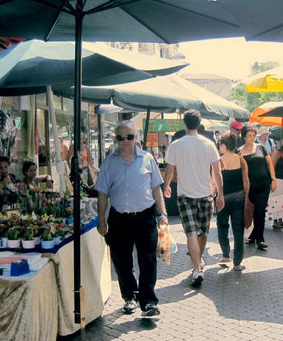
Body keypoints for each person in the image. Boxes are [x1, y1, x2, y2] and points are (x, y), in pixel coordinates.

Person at [95, 120, 167, 317]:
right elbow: (102, 193)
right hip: (118, 219)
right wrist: (101, 219)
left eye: (129, 136)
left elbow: (156, 189)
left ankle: (149, 302)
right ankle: (130, 298)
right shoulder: (108, 163)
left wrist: (163, 214)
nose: (125, 140)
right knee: (121, 261)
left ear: (136, 138)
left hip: (145, 217)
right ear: (116, 139)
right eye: (121, 137)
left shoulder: (147, 159)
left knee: (148, 260)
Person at [163, 109, 224, 287]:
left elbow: (169, 170)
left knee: (191, 233)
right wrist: (220, 194)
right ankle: (198, 266)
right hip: (206, 195)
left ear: (184, 123)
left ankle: (197, 268)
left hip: (185, 196)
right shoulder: (209, 144)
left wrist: (166, 186)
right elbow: (218, 172)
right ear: (199, 124)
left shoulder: (176, 145)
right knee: (202, 233)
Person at [239, 124, 276, 250]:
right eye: (249, 135)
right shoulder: (239, 152)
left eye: (254, 135)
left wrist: (273, 179)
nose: (252, 138)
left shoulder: (261, 147)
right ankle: (253, 235)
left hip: (263, 185)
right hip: (248, 187)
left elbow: (269, 163)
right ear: (244, 136)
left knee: (260, 212)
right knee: (251, 211)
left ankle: (260, 239)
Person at [217, 132, 249, 271]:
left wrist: (217, 195)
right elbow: (246, 180)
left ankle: (225, 254)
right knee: (238, 230)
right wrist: (247, 196)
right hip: (239, 198)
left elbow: (215, 182)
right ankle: (237, 263)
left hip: (223, 198)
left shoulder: (219, 161)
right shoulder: (241, 159)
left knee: (222, 226)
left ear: (223, 145)